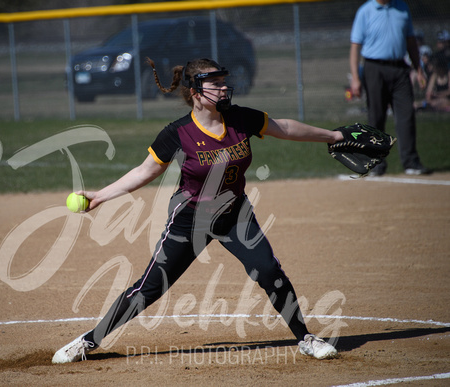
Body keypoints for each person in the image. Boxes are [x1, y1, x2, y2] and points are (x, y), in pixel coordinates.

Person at [52, 57, 342, 364]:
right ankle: (88, 341)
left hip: (235, 215)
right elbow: (144, 171)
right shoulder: (178, 133)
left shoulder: (240, 118)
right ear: (195, 91)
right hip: (190, 220)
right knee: (149, 288)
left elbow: (284, 128)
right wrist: (100, 196)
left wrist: (334, 136)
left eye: (223, 82)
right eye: (214, 84)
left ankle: (306, 338)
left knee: (269, 270)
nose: (223, 88)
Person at [349, 0, 431, 176]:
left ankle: (411, 162)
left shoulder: (402, 8)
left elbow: (411, 42)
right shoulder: (366, 11)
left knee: (406, 115)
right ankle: (376, 164)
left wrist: (418, 69)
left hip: (400, 68)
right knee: (376, 117)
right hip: (374, 68)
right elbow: (355, 46)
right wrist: (356, 77)